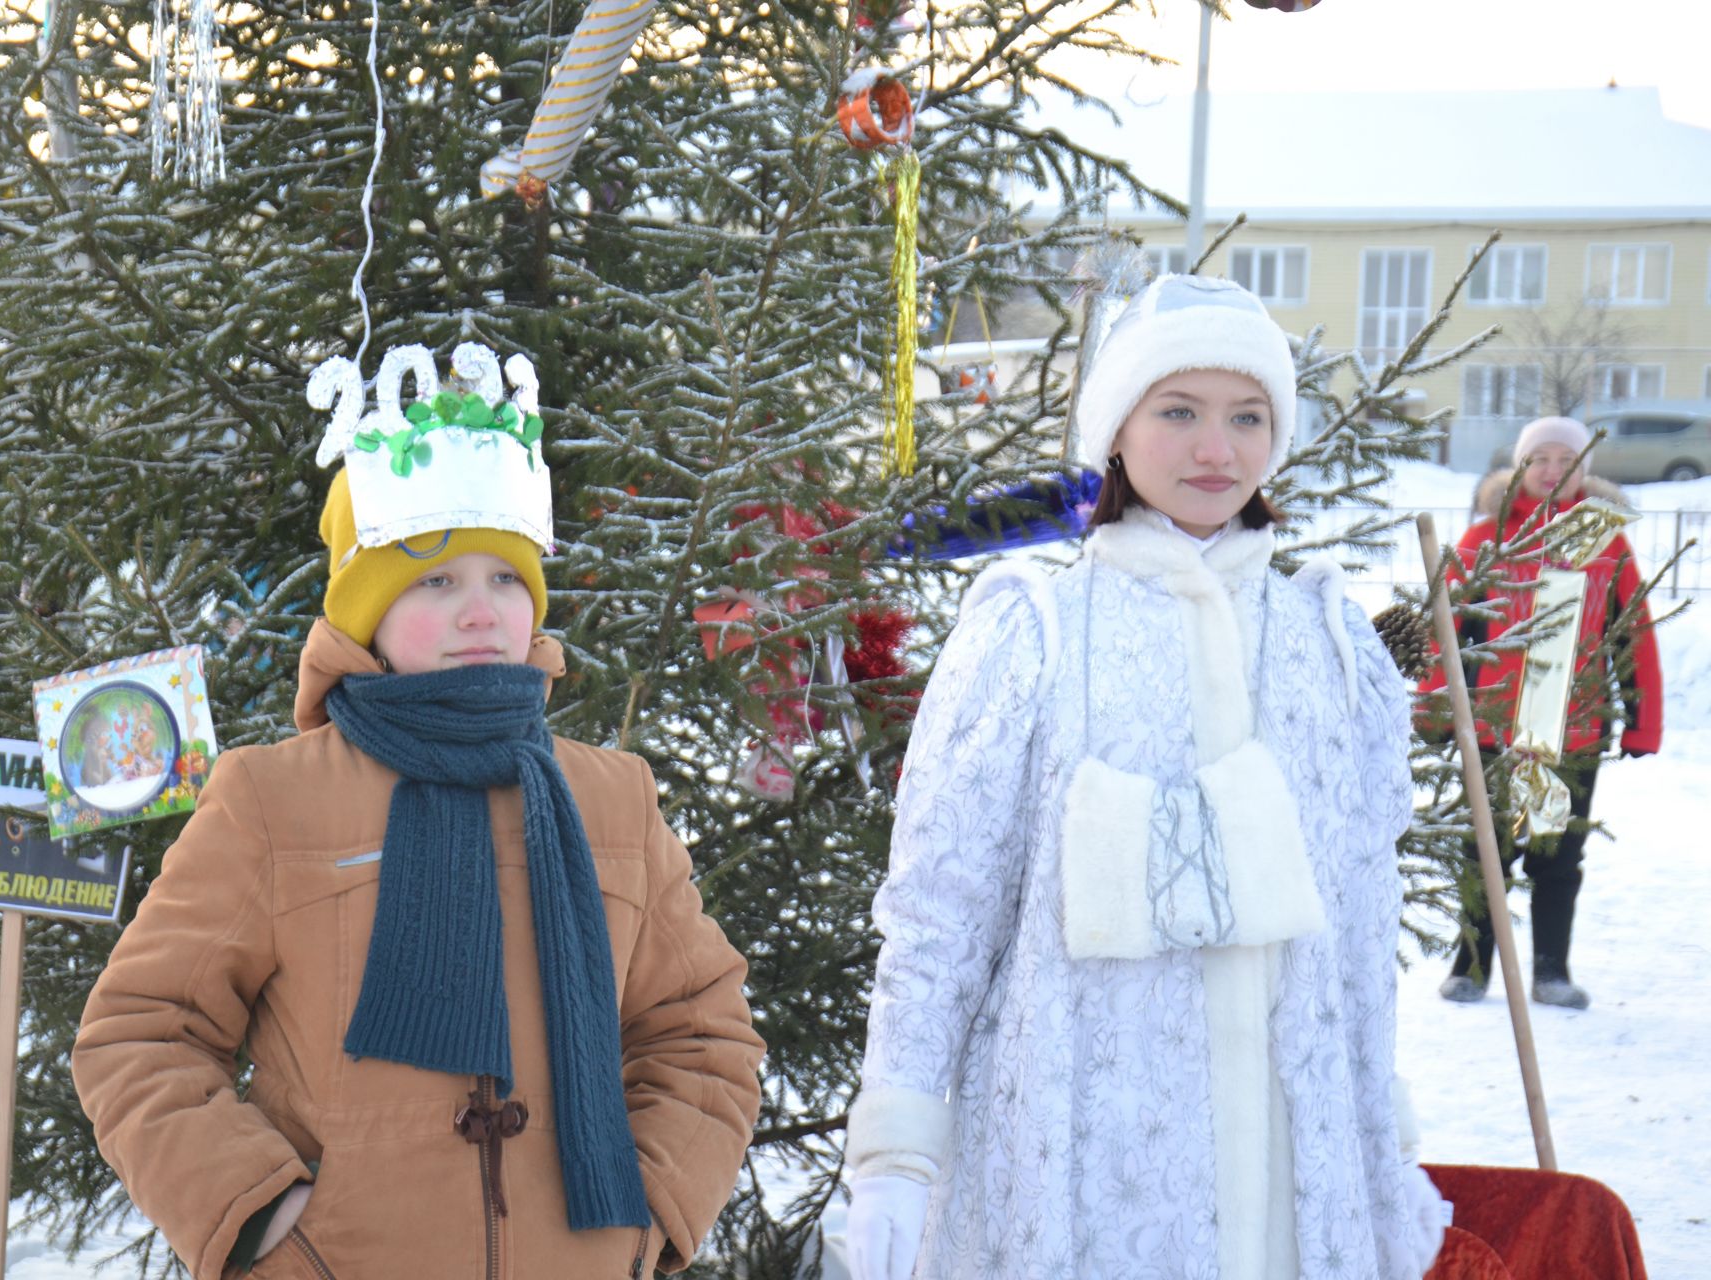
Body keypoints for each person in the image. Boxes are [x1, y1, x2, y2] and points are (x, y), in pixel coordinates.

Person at [72, 343, 764, 1279]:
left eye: (507, 578)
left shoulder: (612, 799)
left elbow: (702, 1032)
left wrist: (651, 1217)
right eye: (437, 581)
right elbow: (139, 1031)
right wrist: (260, 1217)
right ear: (368, 609)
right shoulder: (272, 801)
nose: (482, 612)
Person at [842, 276, 1448, 1280]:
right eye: (1180, 411)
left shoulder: (1329, 645)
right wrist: (900, 1143)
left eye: (1246, 416)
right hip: (1081, 1184)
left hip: (1296, 1189)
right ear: (1116, 430)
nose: (1218, 449)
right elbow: (941, 910)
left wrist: (1383, 1154)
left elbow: (1358, 925)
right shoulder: (1034, 633)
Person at [1428, 415, 1663, 1011]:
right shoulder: (1487, 539)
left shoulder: (1603, 539)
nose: (1553, 472)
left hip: (1570, 728)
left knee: (1556, 856)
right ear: (1521, 468)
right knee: (1486, 851)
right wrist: (1432, 710)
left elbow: (1632, 632)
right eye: (1541, 460)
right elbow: (1446, 633)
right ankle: (1473, 967)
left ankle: (1551, 972)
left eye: (1567, 461)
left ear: (1583, 469)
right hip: (1493, 726)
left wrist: (1642, 719)